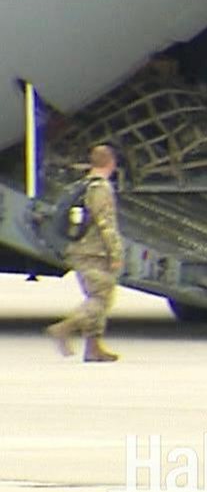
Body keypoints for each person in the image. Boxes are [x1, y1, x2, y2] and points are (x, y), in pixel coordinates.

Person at [45, 144, 125, 362]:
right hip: (94, 252)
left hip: (81, 249)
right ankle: (64, 328)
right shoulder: (101, 189)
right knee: (100, 299)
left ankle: (93, 347)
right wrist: (116, 253)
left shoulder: (83, 185)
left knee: (98, 297)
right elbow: (105, 223)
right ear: (111, 163)